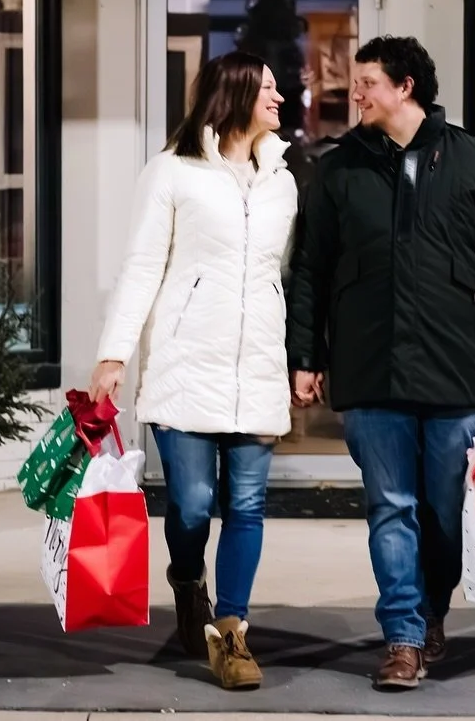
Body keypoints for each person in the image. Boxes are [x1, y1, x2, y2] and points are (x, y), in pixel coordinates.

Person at [286, 35, 475, 691]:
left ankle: (432, 611)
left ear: (405, 87)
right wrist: (305, 355)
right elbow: (310, 269)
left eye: (367, 82)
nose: (355, 94)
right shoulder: (338, 170)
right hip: (369, 368)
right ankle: (402, 636)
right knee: (390, 507)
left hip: (453, 369)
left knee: (442, 513)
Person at [89, 51, 297, 692]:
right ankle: (186, 579)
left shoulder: (282, 180)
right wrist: (114, 354)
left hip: (256, 366)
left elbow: (278, 275)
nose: (280, 98)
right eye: (268, 88)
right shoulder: (172, 171)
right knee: (193, 502)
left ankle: (232, 632)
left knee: (249, 505)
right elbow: (142, 266)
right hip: (185, 364)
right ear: (235, 94)